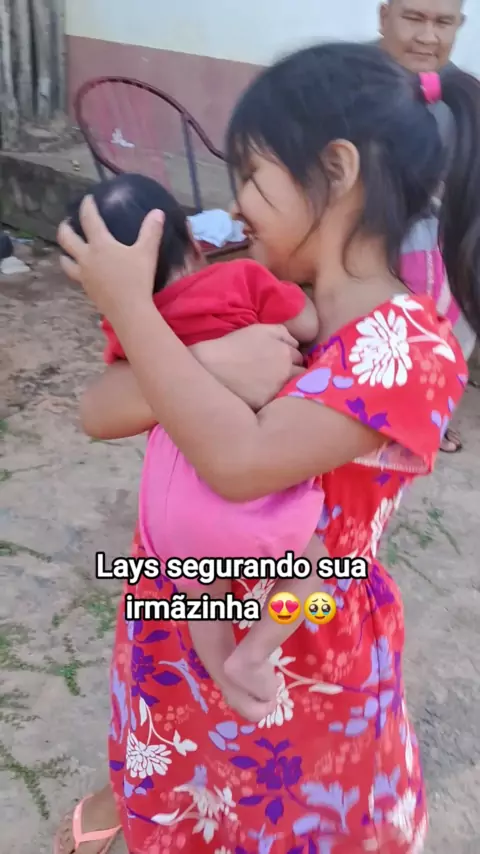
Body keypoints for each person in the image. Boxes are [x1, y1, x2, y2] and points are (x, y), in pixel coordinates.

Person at [56, 42, 480, 853]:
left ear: (337, 170)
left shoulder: (409, 352)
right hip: (179, 604)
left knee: (288, 812)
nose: (237, 201)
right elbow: (98, 411)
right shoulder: (260, 294)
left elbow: (240, 462)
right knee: (183, 775)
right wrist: (212, 360)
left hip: (296, 629)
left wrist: (136, 314)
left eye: (252, 174)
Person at [68, 172, 329, 722]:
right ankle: (254, 653)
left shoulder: (129, 326)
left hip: (171, 497)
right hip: (231, 464)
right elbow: (307, 324)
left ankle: (220, 670)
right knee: (313, 568)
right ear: (193, 238)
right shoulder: (242, 278)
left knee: (199, 592)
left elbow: (110, 396)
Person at [377, 0, 476, 452]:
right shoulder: (344, 81)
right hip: (364, 246)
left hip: (446, 253)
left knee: (447, 341)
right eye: (414, 18)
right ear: (385, 16)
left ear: (460, 25)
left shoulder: (466, 98)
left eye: (443, 22)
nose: (428, 37)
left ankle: (430, 420)